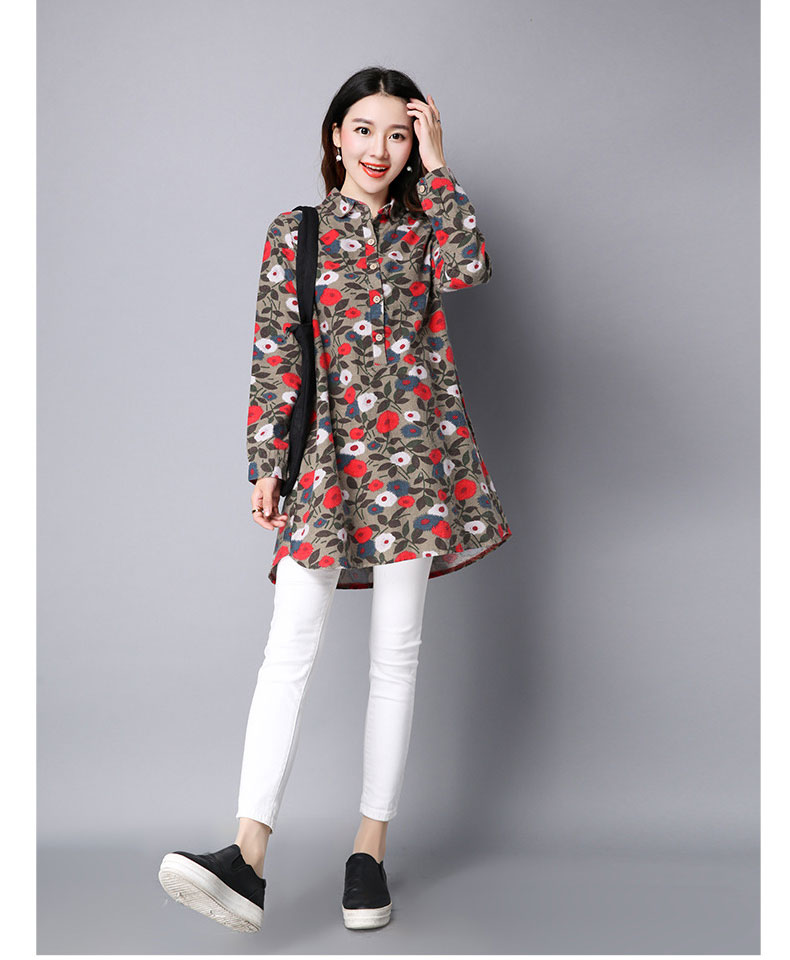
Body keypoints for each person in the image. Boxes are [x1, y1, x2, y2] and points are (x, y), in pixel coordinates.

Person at [158, 65, 512, 935]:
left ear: (414, 144)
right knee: (289, 649)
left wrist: (441, 166)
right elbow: (276, 349)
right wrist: (265, 463)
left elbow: (472, 266)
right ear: (335, 136)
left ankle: (369, 854)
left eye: (398, 133)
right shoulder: (298, 232)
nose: (378, 149)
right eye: (364, 129)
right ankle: (247, 855)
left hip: (415, 465)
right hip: (327, 461)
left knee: (397, 655)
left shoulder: (427, 227)